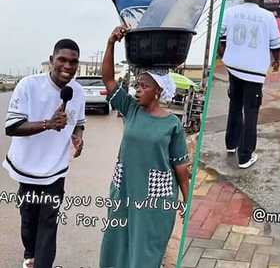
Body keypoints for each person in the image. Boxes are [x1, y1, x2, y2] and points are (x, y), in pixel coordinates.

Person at [99, 26, 190, 268]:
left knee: (146, 248)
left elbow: (181, 168)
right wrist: (111, 42)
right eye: (137, 85)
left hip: (155, 200)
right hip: (125, 190)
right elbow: (108, 79)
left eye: (144, 86)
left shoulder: (172, 125)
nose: (137, 90)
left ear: (158, 91)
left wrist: (187, 200)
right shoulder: (130, 109)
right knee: (117, 241)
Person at [3, 39, 85, 268]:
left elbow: (79, 122)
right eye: (62, 60)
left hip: (56, 168)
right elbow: (12, 127)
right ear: (51, 61)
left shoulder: (76, 91)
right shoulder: (28, 85)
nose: (68, 66)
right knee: (28, 218)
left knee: (49, 221)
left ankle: (43, 264)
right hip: (27, 167)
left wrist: (78, 137)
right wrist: (48, 124)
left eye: (73, 62)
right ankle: (30, 253)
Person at [218, 0, 280, 169]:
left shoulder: (231, 12)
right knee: (251, 112)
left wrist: (223, 54)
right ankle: (245, 156)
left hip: (234, 68)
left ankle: (231, 144)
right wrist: (276, 61)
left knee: (235, 105)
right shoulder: (267, 16)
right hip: (254, 72)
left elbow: (220, 38)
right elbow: (276, 44)